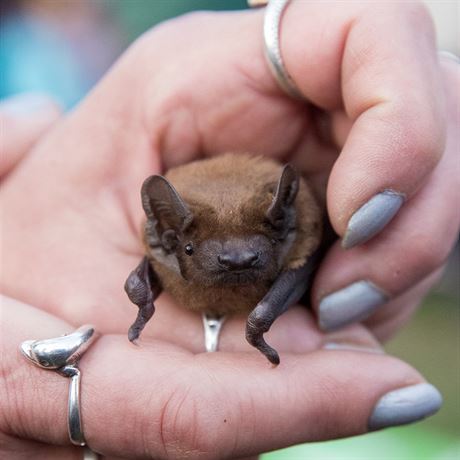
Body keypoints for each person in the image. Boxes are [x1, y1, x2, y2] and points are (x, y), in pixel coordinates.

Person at [1, 2, 459, 459]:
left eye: (258, 240)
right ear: (166, 237)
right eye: (202, 245)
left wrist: (258, 320)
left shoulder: (296, 230)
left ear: (284, 226)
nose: (238, 257)